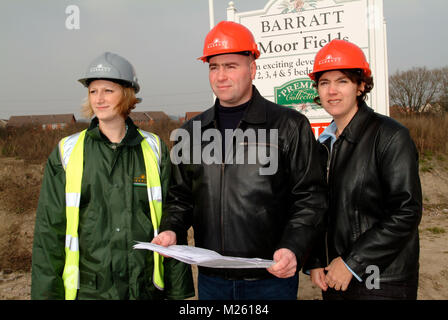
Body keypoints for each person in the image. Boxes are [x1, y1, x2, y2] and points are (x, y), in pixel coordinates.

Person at [152, 21, 327, 300]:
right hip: (212, 281)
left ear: (252, 69)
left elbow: (310, 197)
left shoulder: (289, 126)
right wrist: (171, 230)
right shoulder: (190, 133)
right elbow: (180, 198)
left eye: (230, 66)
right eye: (214, 67)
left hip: (270, 279)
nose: (221, 76)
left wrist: (293, 246)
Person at [31, 52, 194, 300]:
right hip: (88, 291)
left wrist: (178, 290)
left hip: (145, 290)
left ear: (127, 94)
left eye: (108, 90)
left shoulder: (154, 149)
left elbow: (170, 219)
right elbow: (49, 232)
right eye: (93, 91)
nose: (99, 99)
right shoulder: (67, 152)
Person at [304, 39, 422, 300]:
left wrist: (352, 262)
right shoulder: (324, 144)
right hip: (334, 278)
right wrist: (314, 260)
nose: (332, 91)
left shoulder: (390, 136)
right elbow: (317, 206)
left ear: (360, 86)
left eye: (342, 81)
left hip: (382, 280)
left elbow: (406, 211)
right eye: (324, 83)